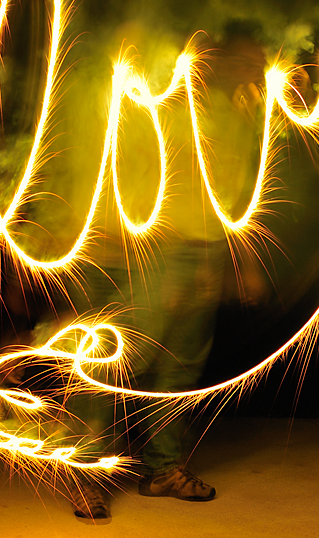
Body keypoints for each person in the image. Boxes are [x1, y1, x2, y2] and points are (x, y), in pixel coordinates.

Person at [55, 29, 267, 522]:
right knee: (115, 361)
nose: (252, 74)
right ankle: (86, 473)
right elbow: (134, 176)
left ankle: (162, 470)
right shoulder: (166, 103)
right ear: (217, 59)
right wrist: (147, 253)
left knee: (180, 368)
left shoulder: (242, 116)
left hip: (203, 252)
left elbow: (233, 197)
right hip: (154, 249)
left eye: (258, 66)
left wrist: (238, 261)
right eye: (243, 62)